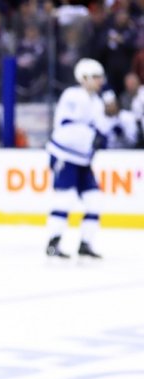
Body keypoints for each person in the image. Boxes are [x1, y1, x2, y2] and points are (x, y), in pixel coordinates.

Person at [44, 58, 120, 259]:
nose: (99, 81)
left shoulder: (96, 101)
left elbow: (104, 129)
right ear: (83, 78)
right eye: (95, 77)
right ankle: (53, 242)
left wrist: (112, 116)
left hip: (83, 160)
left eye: (100, 77)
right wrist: (93, 136)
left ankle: (85, 243)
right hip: (65, 155)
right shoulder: (72, 95)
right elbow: (67, 125)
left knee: (95, 201)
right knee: (65, 198)